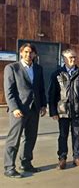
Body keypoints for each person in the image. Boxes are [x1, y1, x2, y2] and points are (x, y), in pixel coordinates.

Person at [3, 43, 47, 178]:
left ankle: (26, 163)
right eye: (26, 52)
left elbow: (40, 88)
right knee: (14, 139)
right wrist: (14, 108)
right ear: (21, 53)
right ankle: (9, 167)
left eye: (31, 52)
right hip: (19, 110)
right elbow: (9, 91)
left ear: (34, 54)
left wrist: (43, 105)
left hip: (34, 109)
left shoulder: (38, 69)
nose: (29, 55)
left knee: (30, 138)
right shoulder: (12, 68)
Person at [48, 49, 79, 169]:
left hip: (78, 110)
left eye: (74, 57)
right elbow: (52, 94)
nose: (73, 59)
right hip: (62, 111)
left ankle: (77, 158)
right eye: (70, 57)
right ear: (64, 59)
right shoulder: (57, 74)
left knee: (76, 134)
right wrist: (53, 111)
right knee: (63, 135)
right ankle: (62, 158)